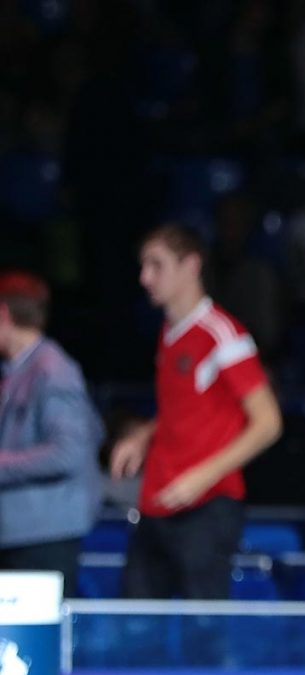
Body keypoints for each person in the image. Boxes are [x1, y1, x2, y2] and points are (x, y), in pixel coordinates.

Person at [109, 224, 282, 599]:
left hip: (206, 507)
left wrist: (200, 479)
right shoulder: (170, 332)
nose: (144, 277)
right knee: (135, 630)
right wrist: (143, 435)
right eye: (143, 266)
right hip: (159, 502)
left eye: (156, 265)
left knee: (202, 635)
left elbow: (268, 423)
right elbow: (181, 406)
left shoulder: (222, 333)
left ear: (190, 265)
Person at [0, 271, 104, 598]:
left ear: (3, 313)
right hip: (19, 533)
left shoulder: (53, 369)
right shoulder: (18, 369)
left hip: (42, 537)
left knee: (37, 644)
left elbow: (68, 451)